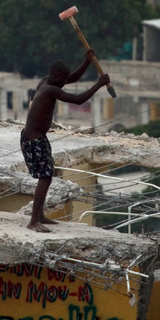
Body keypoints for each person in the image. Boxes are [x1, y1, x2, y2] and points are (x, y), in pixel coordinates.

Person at [21, 51, 110, 232]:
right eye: (64, 80)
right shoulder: (50, 90)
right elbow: (78, 100)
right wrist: (99, 84)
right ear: (57, 76)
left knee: (46, 176)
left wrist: (86, 62)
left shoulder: (47, 81)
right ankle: (33, 221)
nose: (65, 84)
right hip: (34, 140)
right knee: (45, 178)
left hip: (34, 137)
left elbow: (73, 78)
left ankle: (39, 216)